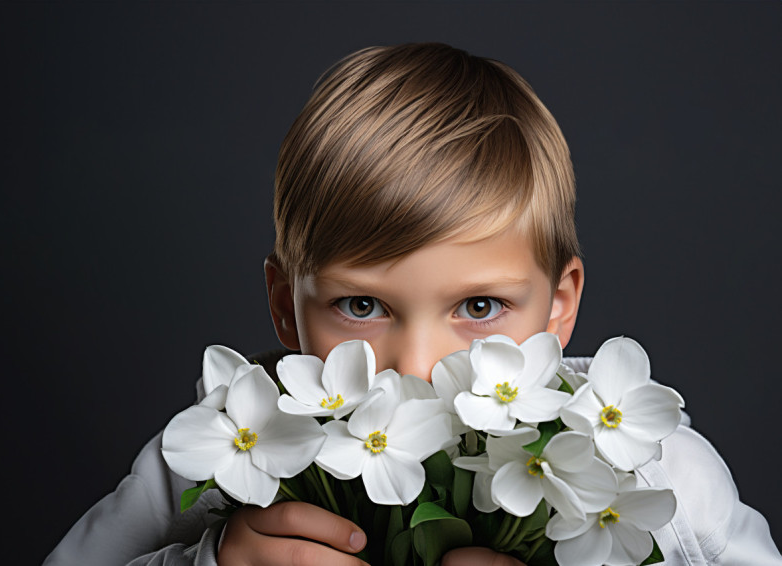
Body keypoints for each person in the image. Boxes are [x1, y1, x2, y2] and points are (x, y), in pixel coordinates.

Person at [44, 43, 782, 566]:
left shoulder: (660, 476)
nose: (418, 367)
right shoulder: (211, 457)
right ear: (283, 307)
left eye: (481, 307)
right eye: (361, 306)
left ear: (559, 308)